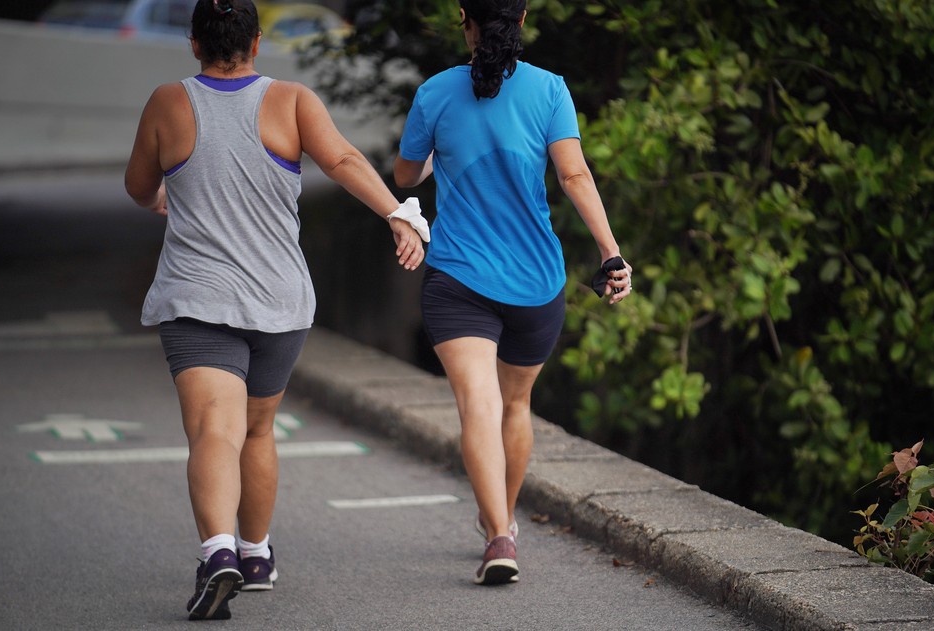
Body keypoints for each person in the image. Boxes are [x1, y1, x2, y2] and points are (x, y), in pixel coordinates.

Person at [125, 0, 427, 620]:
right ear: (257, 43)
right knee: (258, 430)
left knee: (215, 429)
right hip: (279, 301)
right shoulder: (291, 101)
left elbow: (138, 185)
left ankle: (218, 552)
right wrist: (397, 214)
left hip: (198, 297)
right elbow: (343, 160)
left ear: (194, 43)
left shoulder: (167, 103)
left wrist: (159, 196)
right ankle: (256, 554)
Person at [394, 0, 631, 586]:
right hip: (535, 282)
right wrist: (611, 253)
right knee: (515, 404)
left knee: (479, 405)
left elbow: (405, 176)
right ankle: (501, 521)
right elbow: (574, 175)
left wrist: (439, 153)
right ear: (522, 19)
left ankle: (498, 533)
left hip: (459, 278)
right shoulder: (550, 90)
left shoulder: (435, 93)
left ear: (465, 21)